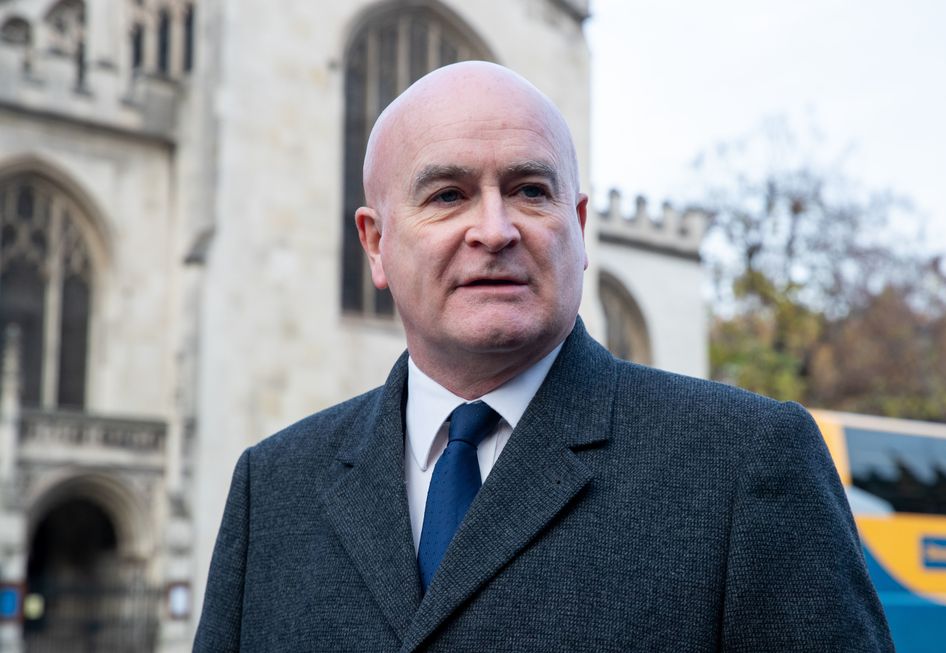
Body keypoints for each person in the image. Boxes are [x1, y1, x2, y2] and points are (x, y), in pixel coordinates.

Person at [194, 62, 893, 652]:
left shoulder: (746, 460)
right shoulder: (271, 488)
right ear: (376, 243)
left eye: (530, 190)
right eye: (448, 195)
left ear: (580, 229)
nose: (495, 230)